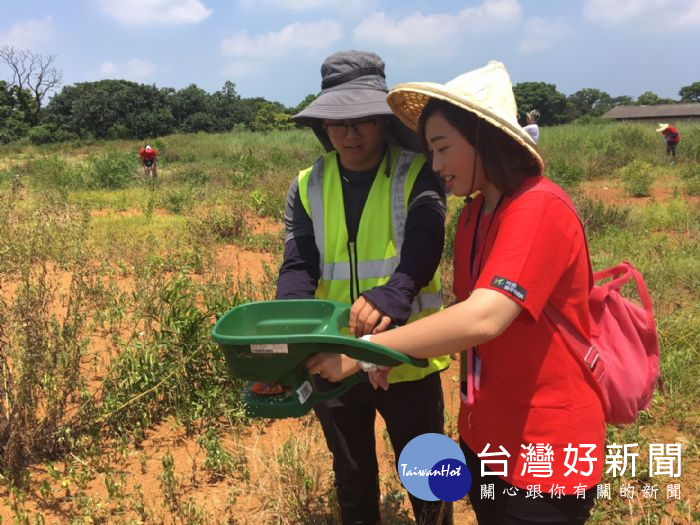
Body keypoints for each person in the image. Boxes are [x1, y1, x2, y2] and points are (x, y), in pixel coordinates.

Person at [316, 60, 606, 524]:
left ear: (485, 140)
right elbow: (462, 321)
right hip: (487, 436)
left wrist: (367, 352)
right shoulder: (474, 216)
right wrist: (395, 352)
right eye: (430, 150)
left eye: (443, 148)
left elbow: (482, 318)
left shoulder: (538, 208)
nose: (436, 165)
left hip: (546, 446)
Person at [278, 50, 453, 525]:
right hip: (334, 356)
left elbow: (425, 240)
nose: (350, 133)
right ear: (323, 126)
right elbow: (298, 266)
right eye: (338, 122)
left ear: (383, 120)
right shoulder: (307, 184)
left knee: (429, 475)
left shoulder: (418, 171)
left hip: (406, 354)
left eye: (362, 121)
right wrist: (289, 333)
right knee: (351, 472)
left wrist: (393, 295)